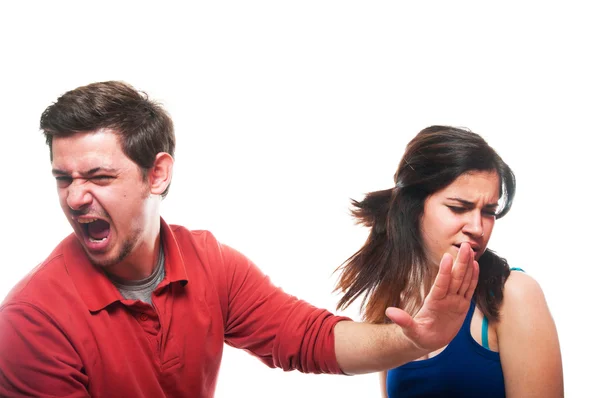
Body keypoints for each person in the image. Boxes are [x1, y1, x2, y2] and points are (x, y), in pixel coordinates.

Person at [0, 82, 479, 397]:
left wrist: (416, 341)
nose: (76, 197)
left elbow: (310, 339)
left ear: (158, 174)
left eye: (99, 176)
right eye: (64, 178)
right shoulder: (31, 321)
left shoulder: (208, 263)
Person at [335, 125, 563, 397]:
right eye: (458, 208)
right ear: (413, 208)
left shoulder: (514, 294)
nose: (478, 228)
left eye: (489, 212)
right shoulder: (394, 304)